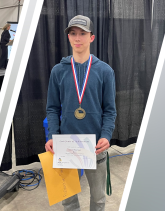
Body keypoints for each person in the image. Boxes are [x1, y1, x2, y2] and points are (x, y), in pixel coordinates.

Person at [45, 15, 117, 211]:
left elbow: (110, 110)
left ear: (91, 38)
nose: (77, 38)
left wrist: (106, 135)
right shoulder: (58, 71)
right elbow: (52, 108)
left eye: (82, 34)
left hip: (95, 146)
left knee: (99, 198)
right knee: (68, 198)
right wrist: (53, 136)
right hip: (66, 145)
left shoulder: (104, 71)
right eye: (73, 33)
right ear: (68, 37)